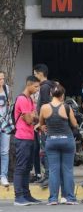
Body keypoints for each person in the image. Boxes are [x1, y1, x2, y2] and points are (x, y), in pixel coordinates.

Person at [39, 83, 78, 205]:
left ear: (51, 94)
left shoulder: (44, 107)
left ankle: (53, 199)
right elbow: (75, 124)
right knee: (67, 170)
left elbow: (41, 123)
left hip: (51, 141)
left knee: (54, 170)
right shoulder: (66, 107)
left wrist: (45, 127)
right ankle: (70, 198)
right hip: (67, 140)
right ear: (62, 95)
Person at [13, 76, 41, 206]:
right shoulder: (22, 99)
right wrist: (33, 115)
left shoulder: (29, 99)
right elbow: (30, 120)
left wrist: (33, 116)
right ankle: (18, 197)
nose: (37, 89)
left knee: (27, 168)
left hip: (30, 137)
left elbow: (35, 118)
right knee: (21, 167)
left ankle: (26, 194)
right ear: (29, 85)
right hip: (22, 138)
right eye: (35, 87)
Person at [33, 63, 55, 189]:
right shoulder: (51, 85)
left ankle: (48, 176)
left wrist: (41, 123)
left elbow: (45, 106)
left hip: (45, 124)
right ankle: (47, 175)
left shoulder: (44, 87)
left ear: (40, 73)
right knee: (45, 150)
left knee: (45, 150)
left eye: (35, 73)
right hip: (48, 123)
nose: (35, 76)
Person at [0, 71, 11, 187]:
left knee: (4, 151)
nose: (1, 81)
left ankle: (3, 176)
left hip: (5, 124)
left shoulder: (6, 88)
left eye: (2, 78)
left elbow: (8, 104)